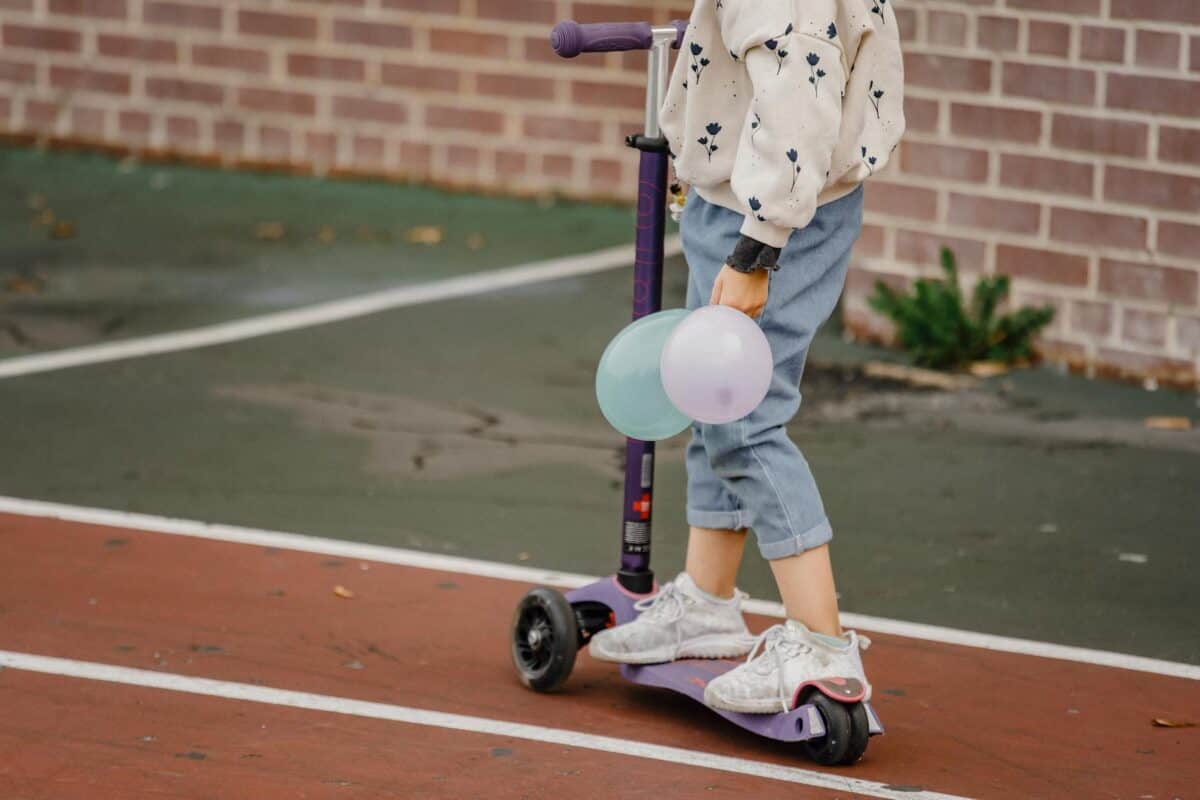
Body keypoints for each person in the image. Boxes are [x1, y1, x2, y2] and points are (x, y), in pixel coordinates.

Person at [588, 0, 905, 715]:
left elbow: (798, 99)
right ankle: (706, 600)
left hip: (770, 214)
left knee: (744, 422)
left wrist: (758, 246)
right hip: (746, 198)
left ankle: (823, 645)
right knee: (713, 399)